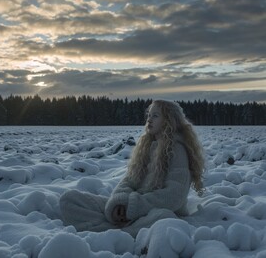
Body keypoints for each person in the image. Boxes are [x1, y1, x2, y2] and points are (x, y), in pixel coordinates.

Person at [59, 100, 205, 237]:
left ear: (169, 120)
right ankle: (120, 232)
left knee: (164, 218)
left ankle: (114, 234)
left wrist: (133, 207)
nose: (149, 119)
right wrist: (119, 204)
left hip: (153, 213)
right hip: (131, 211)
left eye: (155, 115)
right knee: (69, 199)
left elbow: (174, 197)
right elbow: (129, 180)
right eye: (148, 115)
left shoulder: (177, 150)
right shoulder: (146, 146)